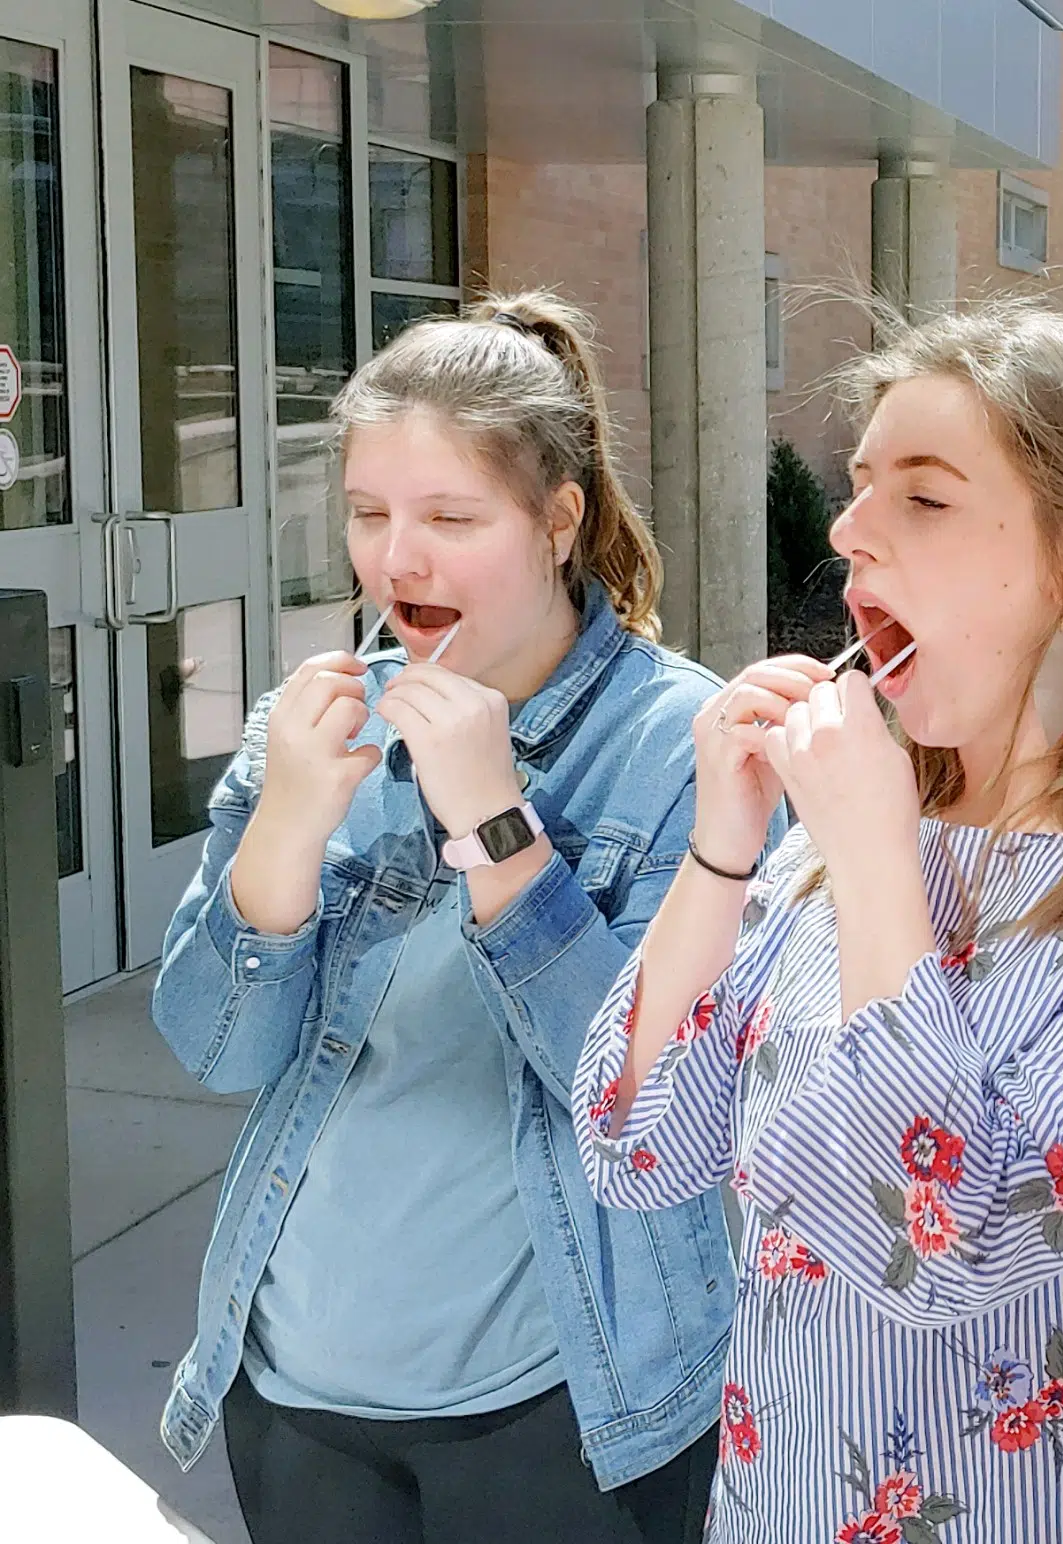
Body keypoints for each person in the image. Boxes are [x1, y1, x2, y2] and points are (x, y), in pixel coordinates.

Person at [574, 306, 1063, 1543]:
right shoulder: (834, 844)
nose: (846, 531)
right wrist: (725, 845)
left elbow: (945, 1250)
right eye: (858, 485)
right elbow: (635, 1144)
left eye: (924, 500)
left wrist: (876, 859)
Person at [153, 293, 752, 1544]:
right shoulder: (311, 723)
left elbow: (660, 1107)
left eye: (449, 517)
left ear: (559, 517)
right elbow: (217, 1051)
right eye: (371, 513)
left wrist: (495, 826)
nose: (396, 560)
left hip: (561, 1405)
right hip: (296, 1386)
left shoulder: (679, 746)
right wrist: (289, 824)